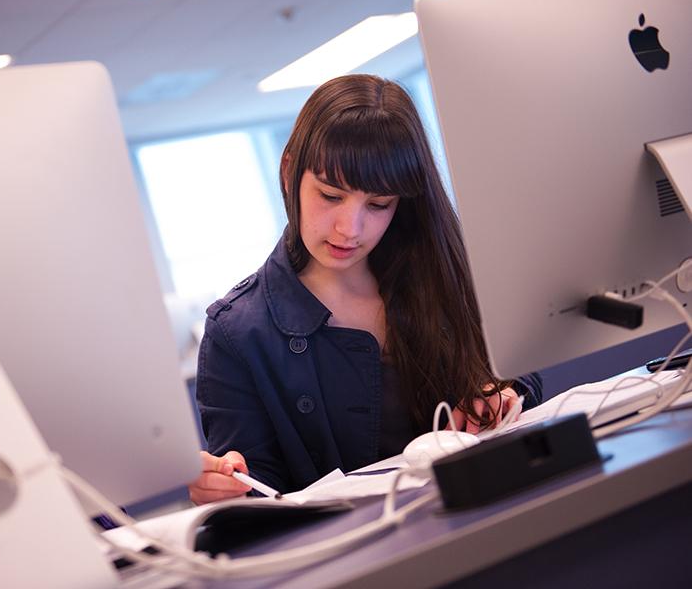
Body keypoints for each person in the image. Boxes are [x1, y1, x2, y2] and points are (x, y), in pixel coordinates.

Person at [188, 74, 542, 505]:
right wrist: (226, 489)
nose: (349, 230)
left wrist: (501, 395)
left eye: (378, 205)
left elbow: (522, 371)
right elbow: (257, 493)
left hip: (495, 508)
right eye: (331, 195)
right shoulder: (237, 333)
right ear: (288, 173)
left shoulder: (449, 267)